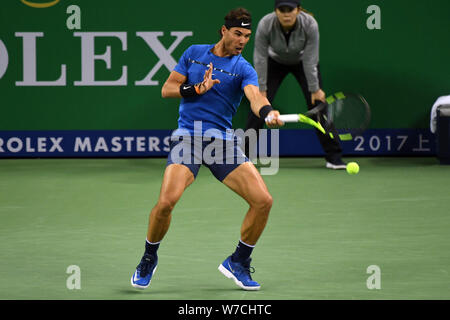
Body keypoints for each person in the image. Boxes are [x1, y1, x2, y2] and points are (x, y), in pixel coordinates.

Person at [130, 7, 283, 291]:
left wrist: (267, 112)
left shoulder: (243, 69)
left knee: (263, 201)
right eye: (237, 33)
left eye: (247, 36)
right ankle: (149, 257)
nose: (242, 40)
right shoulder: (193, 53)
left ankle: (239, 260)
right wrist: (195, 89)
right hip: (188, 138)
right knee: (166, 202)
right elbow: (168, 88)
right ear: (223, 31)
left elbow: (255, 97)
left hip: (222, 143)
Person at [245, 0, 346, 169]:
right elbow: (260, 58)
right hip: (273, 62)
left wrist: (314, 88)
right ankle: (244, 156)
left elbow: (310, 58)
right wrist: (261, 90)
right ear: (275, 11)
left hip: (302, 62)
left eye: (290, 9)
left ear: (298, 10)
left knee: (319, 107)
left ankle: (334, 157)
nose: (286, 13)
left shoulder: (309, 24)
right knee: (258, 104)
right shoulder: (265, 24)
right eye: (281, 9)